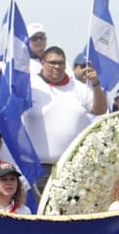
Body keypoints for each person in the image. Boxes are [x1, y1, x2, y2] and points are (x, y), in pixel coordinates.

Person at [25, 46, 107, 198]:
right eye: (52, 63)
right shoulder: (30, 85)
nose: (57, 67)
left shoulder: (79, 88)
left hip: (70, 168)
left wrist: (95, 84)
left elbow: (100, 109)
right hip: (37, 169)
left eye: (61, 63)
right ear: (42, 62)